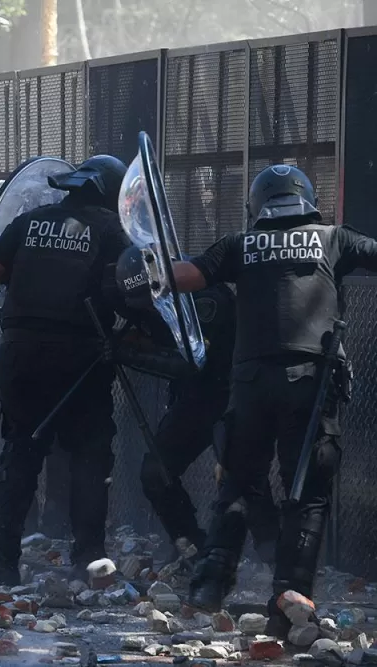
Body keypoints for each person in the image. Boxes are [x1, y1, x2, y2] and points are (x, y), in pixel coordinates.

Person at [168, 165, 377, 636]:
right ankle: (289, 602)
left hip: (251, 385)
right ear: (306, 197)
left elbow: (185, 277)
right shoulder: (332, 238)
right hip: (309, 385)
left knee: (239, 484)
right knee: (308, 494)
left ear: (257, 203)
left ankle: (208, 585)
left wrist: (145, 269)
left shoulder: (239, 243)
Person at [0, 155, 132, 584]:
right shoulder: (110, 228)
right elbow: (125, 284)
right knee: (88, 454)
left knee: (22, 450)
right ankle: (89, 557)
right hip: (78, 353)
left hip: (19, 352)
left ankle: (1, 559)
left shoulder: (32, 219)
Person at [112, 256, 280, 563]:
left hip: (230, 396)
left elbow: (193, 363)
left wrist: (131, 353)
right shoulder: (157, 302)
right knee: (156, 472)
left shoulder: (205, 297)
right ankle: (193, 548)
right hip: (195, 400)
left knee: (243, 476)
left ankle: (275, 557)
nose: (149, 308)